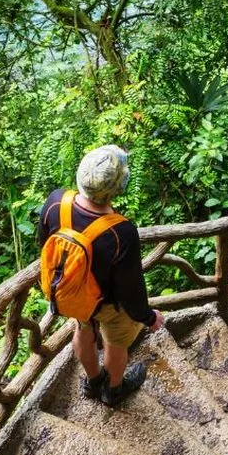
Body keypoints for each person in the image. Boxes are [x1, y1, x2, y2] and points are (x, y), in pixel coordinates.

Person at [38, 144, 164, 406]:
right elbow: (131, 289)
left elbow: (45, 246)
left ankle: (94, 381)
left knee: (83, 328)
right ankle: (113, 390)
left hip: (73, 294)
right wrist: (148, 317)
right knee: (116, 343)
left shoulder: (56, 203)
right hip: (108, 304)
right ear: (118, 187)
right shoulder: (121, 232)